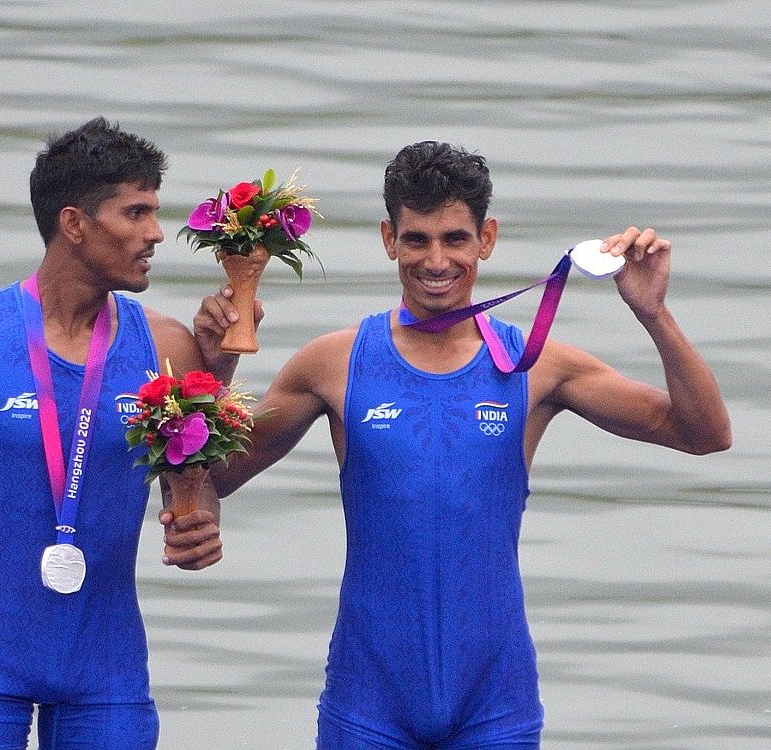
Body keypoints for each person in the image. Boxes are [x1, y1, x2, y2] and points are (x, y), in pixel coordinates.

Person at [195, 141, 732, 750]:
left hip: (495, 707)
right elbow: (213, 476)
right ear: (387, 239)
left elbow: (705, 435)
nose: (436, 260)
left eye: (455, 239)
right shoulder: (333, 363)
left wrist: (654, 314)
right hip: (367, 706)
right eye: (417, 239)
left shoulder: (538, 365)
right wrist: (217, 370)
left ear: (487, 239)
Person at [0, 117, 224, 750]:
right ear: (75, 224)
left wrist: (197, 518)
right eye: (135, 213)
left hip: (107, 673)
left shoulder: (168, 346)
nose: (155, 233)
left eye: (155, 212)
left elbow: (190, 489)